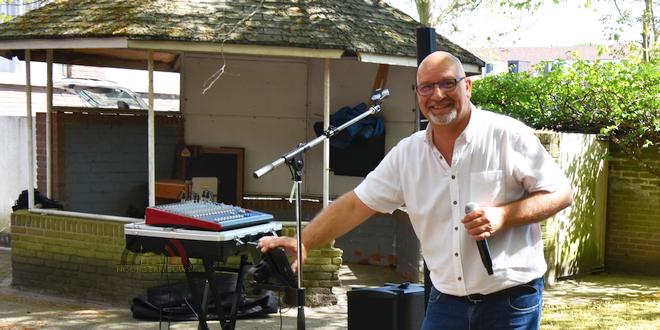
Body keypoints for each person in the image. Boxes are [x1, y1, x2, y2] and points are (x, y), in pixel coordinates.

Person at [258, 51, 573, 329]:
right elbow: (355, 204)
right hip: (446, 299)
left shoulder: (508, 135)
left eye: (447, 83)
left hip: (510, 300)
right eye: (426, 87)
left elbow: (560, 193)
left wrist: (503, 215)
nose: (437, 94)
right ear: (417, 94)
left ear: (467, 86)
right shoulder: (406, 154)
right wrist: (305, 240)